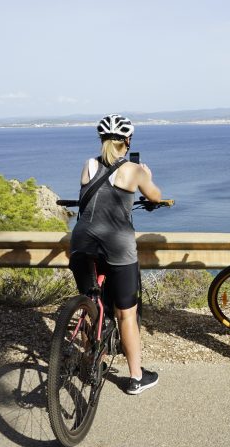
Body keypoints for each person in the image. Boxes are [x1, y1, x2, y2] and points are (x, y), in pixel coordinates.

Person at [69, 114, 162, 395]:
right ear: (127, 140)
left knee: (91, 304)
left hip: (81, 242)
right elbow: (155, 197)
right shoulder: (134, 169)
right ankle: (136, 377)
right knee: (126, 315)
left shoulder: (88, 165)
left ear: (101, 140)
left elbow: (88, 195)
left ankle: (89, 362)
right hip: (118, 246)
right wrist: (148, 176)